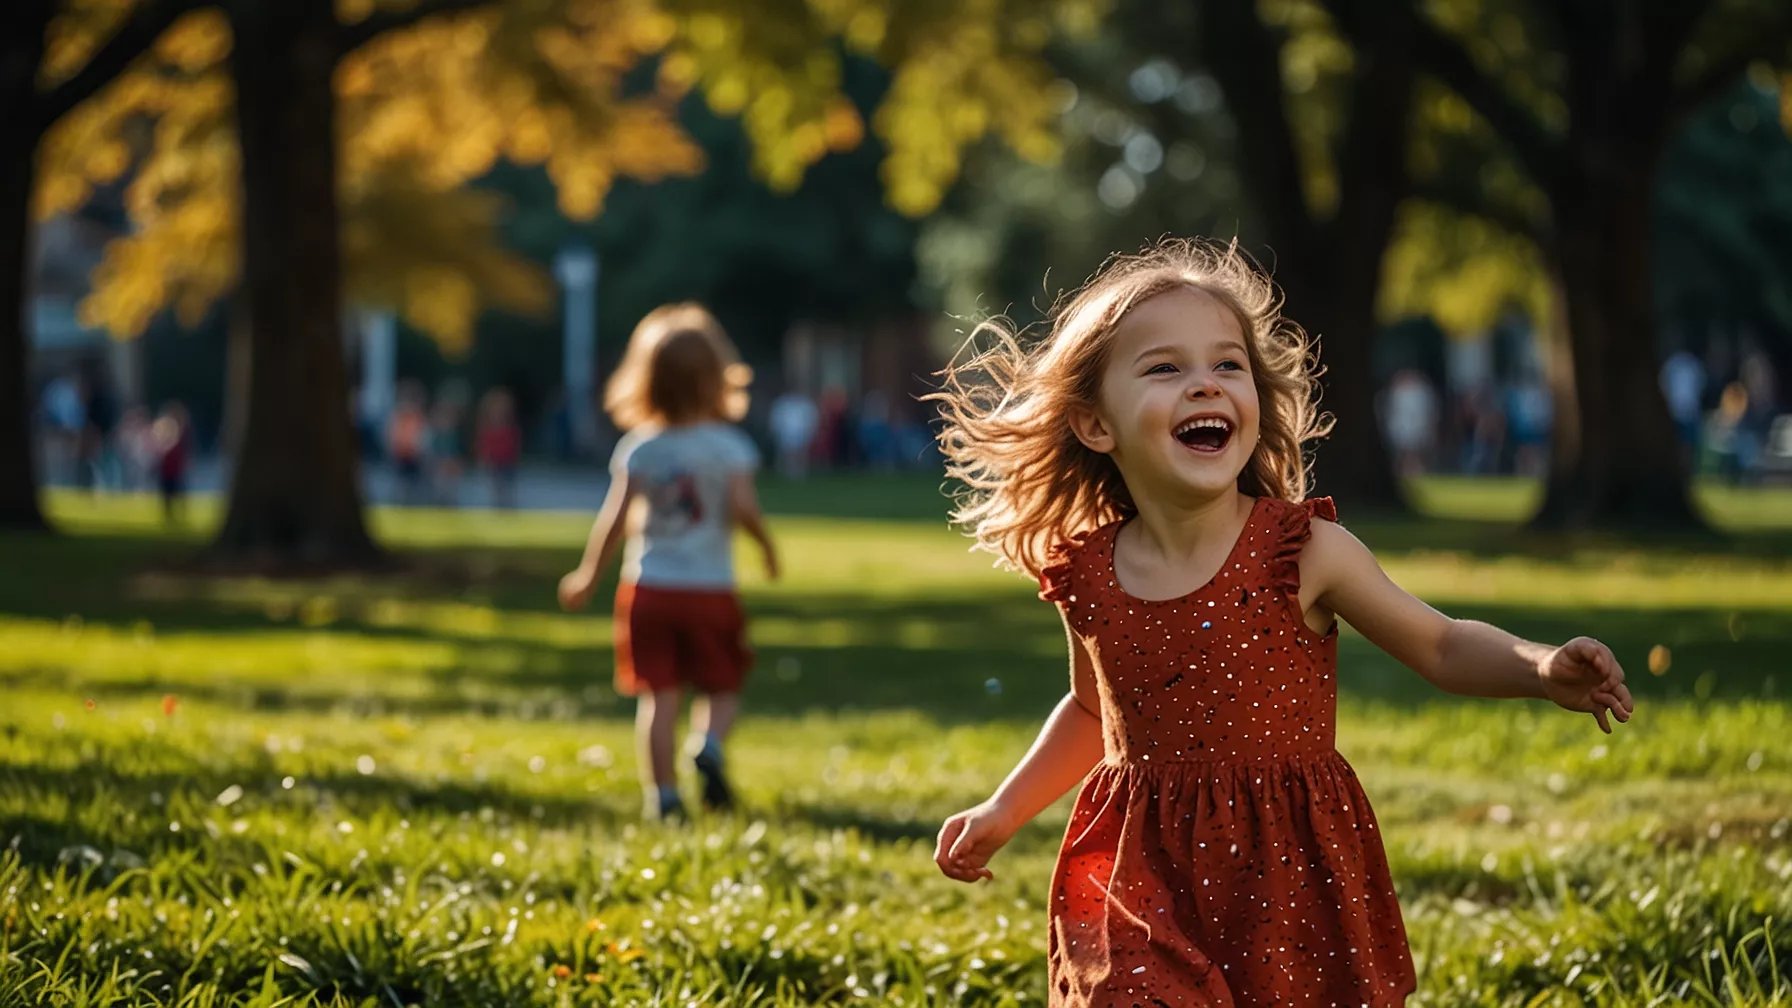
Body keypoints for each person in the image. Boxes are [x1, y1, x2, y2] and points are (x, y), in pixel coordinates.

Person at [926, 239, 1633, 1006]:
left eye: (1228, 366)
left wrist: (1540, 668)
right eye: (1166, 369)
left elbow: (1441, 643)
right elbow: (1095, 712)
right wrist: (1005, 809)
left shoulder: (1303, 552)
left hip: (1287, 875)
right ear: (1097, 425)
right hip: (1140, 874)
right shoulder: (1088, 574)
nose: (1205, 385)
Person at [556, 304, 778, 822]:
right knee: (722, 685)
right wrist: (766, 547)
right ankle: (710, 746)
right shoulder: (730, 447)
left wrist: (588, 576)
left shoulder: (639, 449)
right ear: (716, 377)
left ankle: (665, 798)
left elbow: (613, 521)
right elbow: (744, 509)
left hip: (648, 587)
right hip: (711, 589)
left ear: (645, 378)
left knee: (658, 698)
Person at [475, 388, 522, 509]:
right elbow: (484, 447)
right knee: (495, 489)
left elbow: (514, 447)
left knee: (507, 489)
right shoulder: (487, 429)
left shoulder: (511, 429)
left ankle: (507, 508)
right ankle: (496, 508)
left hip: (508, 464)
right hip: (494, 464)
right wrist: (484, 460)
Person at [152, 402, 192, 525]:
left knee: (176, 492)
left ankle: (177, 515)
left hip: (174, 469)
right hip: (167, 469)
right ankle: (169, 516)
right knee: (168, 494)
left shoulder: (180, 434)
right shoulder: (166, 429)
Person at [767, 388, 819, 479]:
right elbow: (776, 417)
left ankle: (799, 473)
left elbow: (812, 418)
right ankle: (786, 472)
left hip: (801, 432)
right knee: (786, 454)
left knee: (800, 454)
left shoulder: (805, 403)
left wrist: (811, 431)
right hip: (786, 432)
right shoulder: (782, 402)